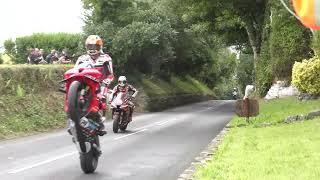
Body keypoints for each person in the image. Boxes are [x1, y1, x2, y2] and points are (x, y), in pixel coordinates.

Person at [69, 35, 114, 135]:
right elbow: (74, 71)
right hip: (85, 83)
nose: (93, 49)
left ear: (100, 47)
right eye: (90, 46)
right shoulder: (82, 58)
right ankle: (73, 121)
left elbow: (110, 74)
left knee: (101, 98)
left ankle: (100, 122)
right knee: (74, 97)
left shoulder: (106, 58)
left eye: (95, 47)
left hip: (100, 83)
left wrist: (106, 82)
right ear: (86, 47)